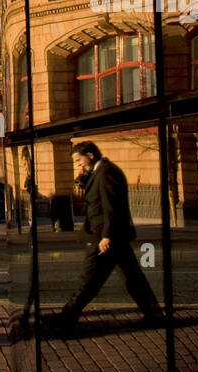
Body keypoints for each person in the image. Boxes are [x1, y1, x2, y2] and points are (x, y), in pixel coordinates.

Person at [57, 141, 164, 334]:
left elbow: (111, 208)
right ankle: (154, 316)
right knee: (133, 278)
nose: (78, 165)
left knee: (90, 279)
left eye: (79, 160)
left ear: (90, 155)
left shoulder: (106, 173)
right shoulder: (101, 172)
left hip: (105, 238)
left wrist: (107, 236)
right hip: (113, 236)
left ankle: (66, 318)